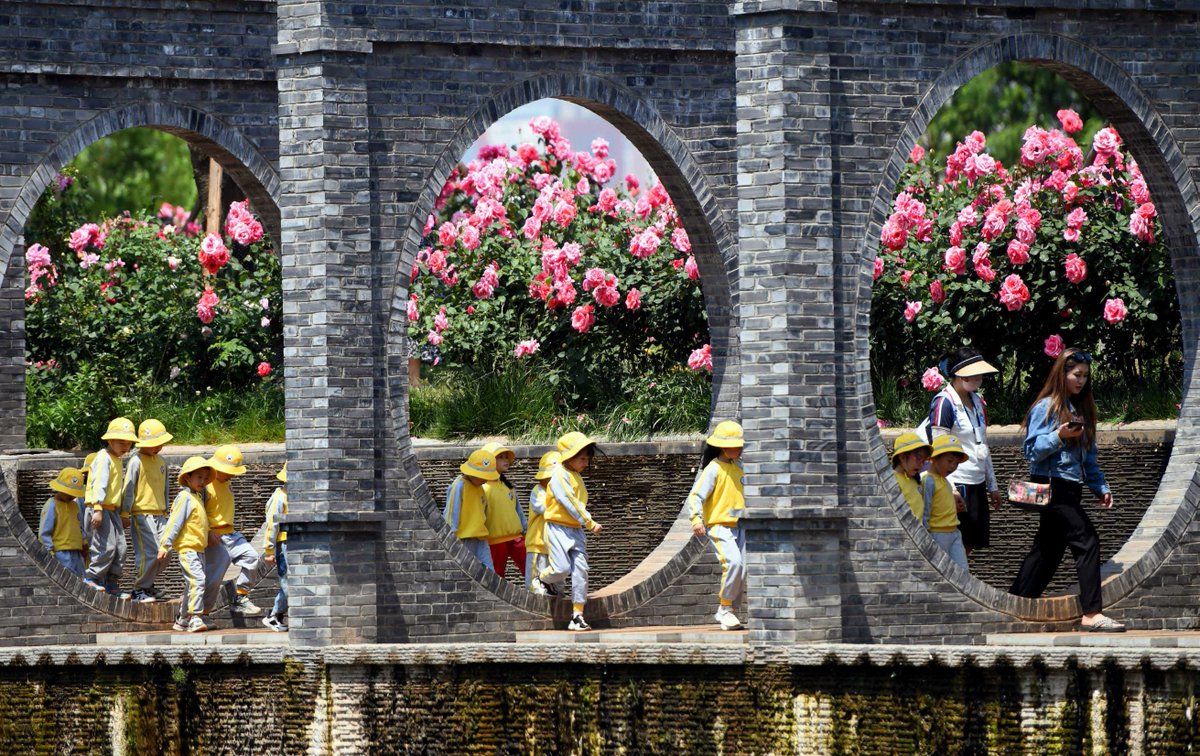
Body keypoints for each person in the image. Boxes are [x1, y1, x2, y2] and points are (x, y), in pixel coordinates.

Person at [1009, 348, 1125, 632]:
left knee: (1047, 552)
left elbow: (1089, 457)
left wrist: (1100, 487)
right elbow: (1032, 451)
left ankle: (1014, 605)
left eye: (1085, 376)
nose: (1081, 381)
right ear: (1062, 374)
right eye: (1076, 374)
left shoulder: (1082, 410)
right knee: (1086, 540)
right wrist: (1058, 435)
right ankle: (1091, 613)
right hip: (1052, 487)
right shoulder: (1045, 408)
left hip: (1072, 488)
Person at [926, 347, 1002, 554]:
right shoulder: (944, 402)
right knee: (955, 541)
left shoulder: (977, 402)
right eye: (974, 373)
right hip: (957, 480)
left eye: (980, 374)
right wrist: (949, 489)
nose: (979, 378)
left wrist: (992, 485)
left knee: (970, 543)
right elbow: (938, 448)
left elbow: (982, 444)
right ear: (959, 374)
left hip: (977, 482)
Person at [531, 432, 602, 632]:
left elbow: (578, 502)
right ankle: (542, 578)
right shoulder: (559, 476)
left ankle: (577, 615)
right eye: (582, 458)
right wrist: (589, 522)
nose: (585, 463)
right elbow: (570, 502)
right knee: (561, 569)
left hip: (575, 531)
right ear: (569, 457)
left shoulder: (576, 476)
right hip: (557, 528)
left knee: (581, 570)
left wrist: (584, 524)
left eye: (587, 459)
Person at [686, 421, 748, 631]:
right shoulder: (713, 468)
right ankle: (724, 609)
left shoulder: (738, 468)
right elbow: (696, 495)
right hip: (720, 526)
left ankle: (731, 610)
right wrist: (696, 519)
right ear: (723, 446)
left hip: (741, 527)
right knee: (733, 564)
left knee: (743, 568)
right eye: (736, 445)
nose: (740, 449)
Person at [204, 444, 262, 616]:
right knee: (214, 578)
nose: (230, 475)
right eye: (226, 471)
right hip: (214, 536)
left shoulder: (227, 483)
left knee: (251, 557)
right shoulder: (205, 484)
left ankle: (240, 597)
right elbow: (197, 510)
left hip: (230, 532)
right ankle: (202, 613)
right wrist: (207, 531)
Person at [159, 456, 214, 633]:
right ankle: (196, 618)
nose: (203, 481)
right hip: (188, 549)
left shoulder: (196, 497)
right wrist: (165, 545)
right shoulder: (184, 497)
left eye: (205, 478)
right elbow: (174, 523)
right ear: (188, 478)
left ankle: (183, 619)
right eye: (199, 477)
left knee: (191, 584)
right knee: (198, 580)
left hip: (199, 549)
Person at [83, 417, 137, 598]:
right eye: (121, 442)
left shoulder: (117, 459)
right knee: (105, 546)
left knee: (121, 548)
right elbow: (99, 483)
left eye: (128, 443)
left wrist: (121, 512)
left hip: (112, 509)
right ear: (109, 440)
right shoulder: (103, 458)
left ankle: (112, 583)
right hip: (100, 508)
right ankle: (92, 578)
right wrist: (97, 508)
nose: (125, 447)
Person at [121, 419, 173, 602]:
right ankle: (139, 589)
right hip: (141, 514)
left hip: (160, 514)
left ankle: (147, 585)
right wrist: (125, 512)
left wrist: (166, 509)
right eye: (155, 444)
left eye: (160, 444)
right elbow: (129, 487)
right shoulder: (135, 461)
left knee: (168, 550)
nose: (158, 447)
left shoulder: (161, 462)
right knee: (149, 553)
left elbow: (166, 487)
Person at [443, 448, 499, 571]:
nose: (486, 480)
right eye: (483, 476)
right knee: (464, 572)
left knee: (489, 573)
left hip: (480, 539)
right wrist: (451, 537)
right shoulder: (458, 486)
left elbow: (483, 512)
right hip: (463, 539)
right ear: (473, 473)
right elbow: (452, 513)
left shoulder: (480, 489)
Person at [920, 435, 970, 570]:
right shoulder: (928, 481)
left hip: (954, 532)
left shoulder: (945, 481)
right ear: (935, 458)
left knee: (962, 572)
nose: (953, 466)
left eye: (956, 463)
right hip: (937, 534)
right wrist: (925, 537)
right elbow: (925, 510)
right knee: (940, 572)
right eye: (949, 461)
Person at [481, 442, 526, 578]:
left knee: (532, 571)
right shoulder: (482, 488)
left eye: (506, 457)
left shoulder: (508, 487)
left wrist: (526, 531)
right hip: (494, 541)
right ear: (488, 460)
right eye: (501, 457)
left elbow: (518, 511)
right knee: (496, 577)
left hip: (517, 538)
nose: (506, 460)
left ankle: (540, 596)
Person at [39, 467, 87, 576]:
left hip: (77, 553)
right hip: (60, 553)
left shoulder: (75, 506)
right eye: (69, 493)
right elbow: (44, 533)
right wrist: (50, 552)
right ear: (59, 489)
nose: (71, 496)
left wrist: (84, 543)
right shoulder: (52, 505)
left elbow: (80, 526)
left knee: (81, 582)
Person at [525, 451, 559, 593]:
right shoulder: (538, 491)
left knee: (557, 586)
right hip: (538, 545)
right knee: (535, 586)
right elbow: (544, 508)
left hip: (555, 547)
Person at [261, 463, 289, 632]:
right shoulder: (280, 497)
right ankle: (273, 615)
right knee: (288, 581)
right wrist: (269, 550)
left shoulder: (293, 496)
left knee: (289, 582)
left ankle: (275, 614)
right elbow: (272, 524)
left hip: (294, 542)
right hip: (284, 542)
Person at [890, 432, 932, 522]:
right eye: (918, 458)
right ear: (902, 457)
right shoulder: (892, 481)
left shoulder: (914, 480)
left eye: (924, 460)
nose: (921, 464)